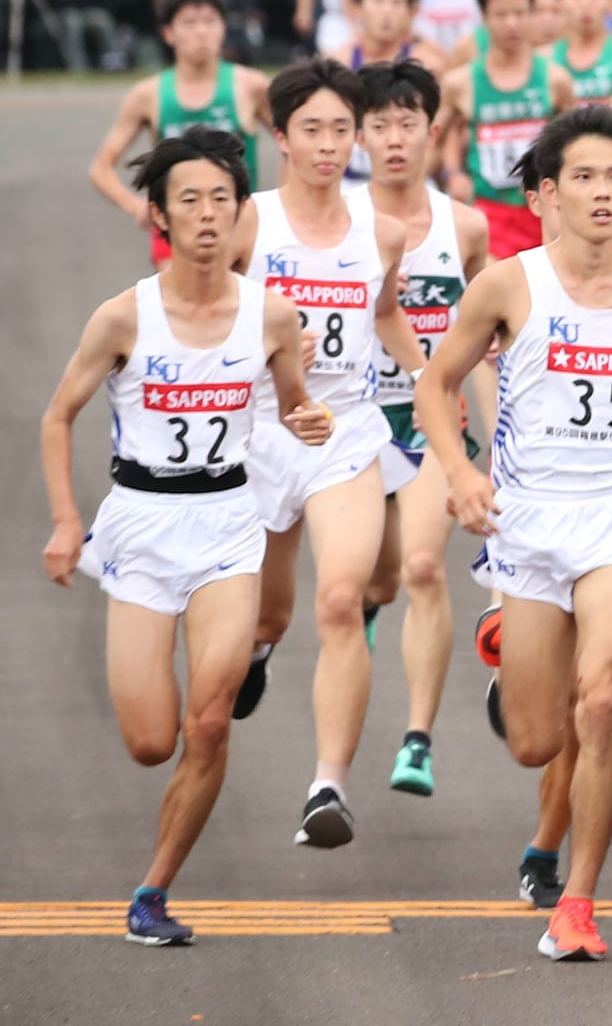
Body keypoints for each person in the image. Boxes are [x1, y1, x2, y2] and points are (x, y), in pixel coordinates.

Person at [416, 106, 612, 962]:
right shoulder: (509, 285)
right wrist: (459, 474)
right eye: (584, 178)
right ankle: (513, 650)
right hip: (525, 525)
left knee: (601, 704)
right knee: (535, 741)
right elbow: (435, 386)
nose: (601, 193)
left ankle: (582, 901)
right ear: (549, 193)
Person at [41, 129, 330, 947]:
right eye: (190, 200)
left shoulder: (271, 315)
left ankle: (153, 891)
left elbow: (294, 404)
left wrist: (310, 421)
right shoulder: (122, 317)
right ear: (160, 215)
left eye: (222, 199)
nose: (207, 214)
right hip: (139, 524)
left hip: (229, 524)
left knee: (209, 724)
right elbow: (59, 415)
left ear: (241, 212)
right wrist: (69, 520)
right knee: (149, 741)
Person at [229, 58, 426, 846]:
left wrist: (432, 380)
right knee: (271, 612)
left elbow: (386, 317)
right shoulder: (249, 221)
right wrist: (272, 348)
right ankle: (260, 649)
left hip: (344, 432)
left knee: (342, 600)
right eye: (310, 129)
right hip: (258, 434)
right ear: (279, 137)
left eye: (341, 129)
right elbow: (202, 314)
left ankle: (328, 787)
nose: (327, 144)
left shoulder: (381, 231)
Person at [352, 60, 492, 798]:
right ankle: (370, 605)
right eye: (380, 126)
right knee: (376, 576)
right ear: (359, 136)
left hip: (433, 424)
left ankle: (417, 741)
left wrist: (496, 440)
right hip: (354, 424)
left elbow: (490, 339)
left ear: (432, 131)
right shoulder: (339, 225)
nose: (396, 138)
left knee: (425, 568)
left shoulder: (464, 227)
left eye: (409, 123)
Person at [88, 0, 275, 262]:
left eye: (210, 21)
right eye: (189, 23)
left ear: (223, 28)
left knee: (239, 301)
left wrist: (279, 208)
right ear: (168, 33)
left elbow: (293, 143)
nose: (201, 31)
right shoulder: (147, 95)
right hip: (176, 230)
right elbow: (100, 168)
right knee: (180, 302)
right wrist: (136, 208)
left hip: (239, 225)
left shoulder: (251, 86)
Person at [441, 0, 579, 258]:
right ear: (484, 17)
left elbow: (575, 143)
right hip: (488, 213)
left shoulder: (556, 80)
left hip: (543, 212)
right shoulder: (461, 82)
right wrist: (453, 173)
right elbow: (439, 134)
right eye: (500, 14)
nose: (511, 24)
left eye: (519, 13)